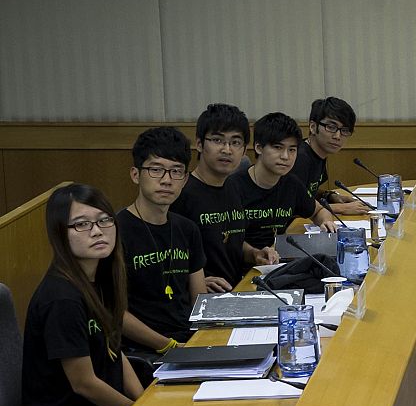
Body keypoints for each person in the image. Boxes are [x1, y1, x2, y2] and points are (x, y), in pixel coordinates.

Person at [20, 184, 145, 406]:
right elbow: (84, 384)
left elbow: (114, 350)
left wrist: (144, 402)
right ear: (59, 234)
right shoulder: (61, 298)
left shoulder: (99, 280)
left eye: (104, 220)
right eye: (82, 224)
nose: (98, 231)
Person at [117, 127, 210, 357]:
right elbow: (114, 312)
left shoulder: (187, 229)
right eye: (156, 170)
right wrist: (167, 345)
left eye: (176, 171)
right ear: (135, 174)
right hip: (142, 351)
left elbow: (200, 299)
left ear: (185, 178)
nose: (167, 180)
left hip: (187, 341)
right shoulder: (115, 231)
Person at [172, 103, 262, 288]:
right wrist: (195, 283)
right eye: (217, 140)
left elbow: (228, 242)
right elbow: (168, 257)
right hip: (201, 301)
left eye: (235, 142)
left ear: (244, 150)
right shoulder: (181, 194)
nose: (227, 149)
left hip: (237, 290)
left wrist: (254, 253)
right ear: (199, 144)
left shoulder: (234, 187)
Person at [230, 112, 339, 257]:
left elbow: (319, 211)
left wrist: (326, 222)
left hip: (278, 260)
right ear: (258, 147)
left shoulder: (291, 183)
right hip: (244, 268)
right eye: (277, 148)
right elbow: (229, 240)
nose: (285, 156)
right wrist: (255, 253)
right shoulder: (234, 187)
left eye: (292, 150)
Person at [291, 96, 368, 215]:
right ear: (313, 127)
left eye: (345, 130)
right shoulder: (299, 158)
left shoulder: (318, 154)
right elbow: (293, 204)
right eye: (331, 127)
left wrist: (329, 196)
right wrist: (340, 208)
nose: (337, 136)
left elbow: (306, 192)